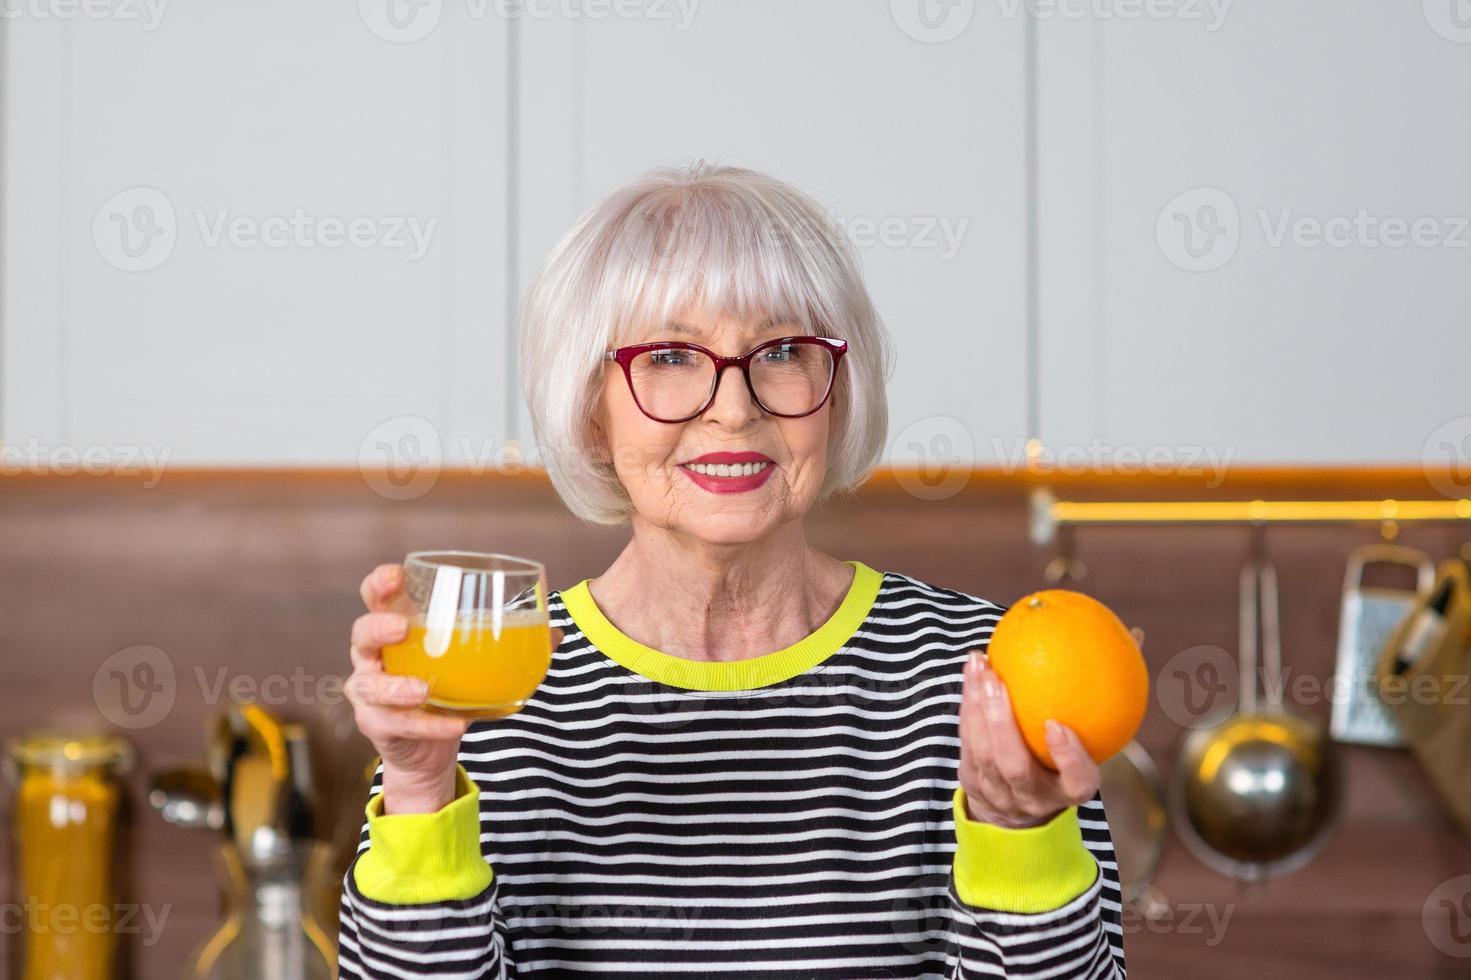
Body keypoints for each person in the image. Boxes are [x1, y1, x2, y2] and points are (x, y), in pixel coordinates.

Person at [338, 162, 1128, 978]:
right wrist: (420, 791)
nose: (733, 407)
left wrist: (1020, 836)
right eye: (672, 357)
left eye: (782, 350)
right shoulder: (490, 695)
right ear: (590, 412)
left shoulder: (979, 680)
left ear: (837, 394)